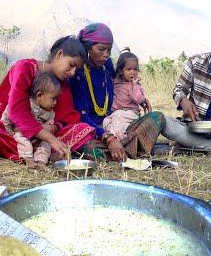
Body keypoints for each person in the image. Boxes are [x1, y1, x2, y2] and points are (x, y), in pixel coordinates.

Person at [0, 36, 96, 162]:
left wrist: (51, 129)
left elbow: (68, 117)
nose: (72, 73)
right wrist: (49, 138)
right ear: (59, 55)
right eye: (71, 65)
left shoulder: (62, 84)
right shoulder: (24, 68)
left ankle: (34, 153)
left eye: (76, 69)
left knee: (82, 128)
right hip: (12, 131)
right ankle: (41, 156)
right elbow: (16, 111)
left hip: (43, 137)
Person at [71, 23, 165, 160]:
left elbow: (122, 85)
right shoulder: (78, 72)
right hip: (94, 129)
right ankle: (132, 148)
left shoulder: (107, 65)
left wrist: (140, 97)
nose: (106, 55)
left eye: (109, 51)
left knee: (157, 117)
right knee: (90, 147)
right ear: (87, 47)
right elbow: (81, 116)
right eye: (101, 49)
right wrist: (107, 137)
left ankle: (121, 149)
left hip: (117, 123)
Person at [2, 72, 61, 168]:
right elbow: (8, 114)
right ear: (39, 95)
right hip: (21, 133)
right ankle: (28, 160)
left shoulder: (50, 113)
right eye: (53, 99)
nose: (55, 102)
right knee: (24, 142)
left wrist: (42, 136)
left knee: (46, 145)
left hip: (39, 137)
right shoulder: (26, 104)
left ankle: (41, 162)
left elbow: (49, 127)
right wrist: (8, 129)